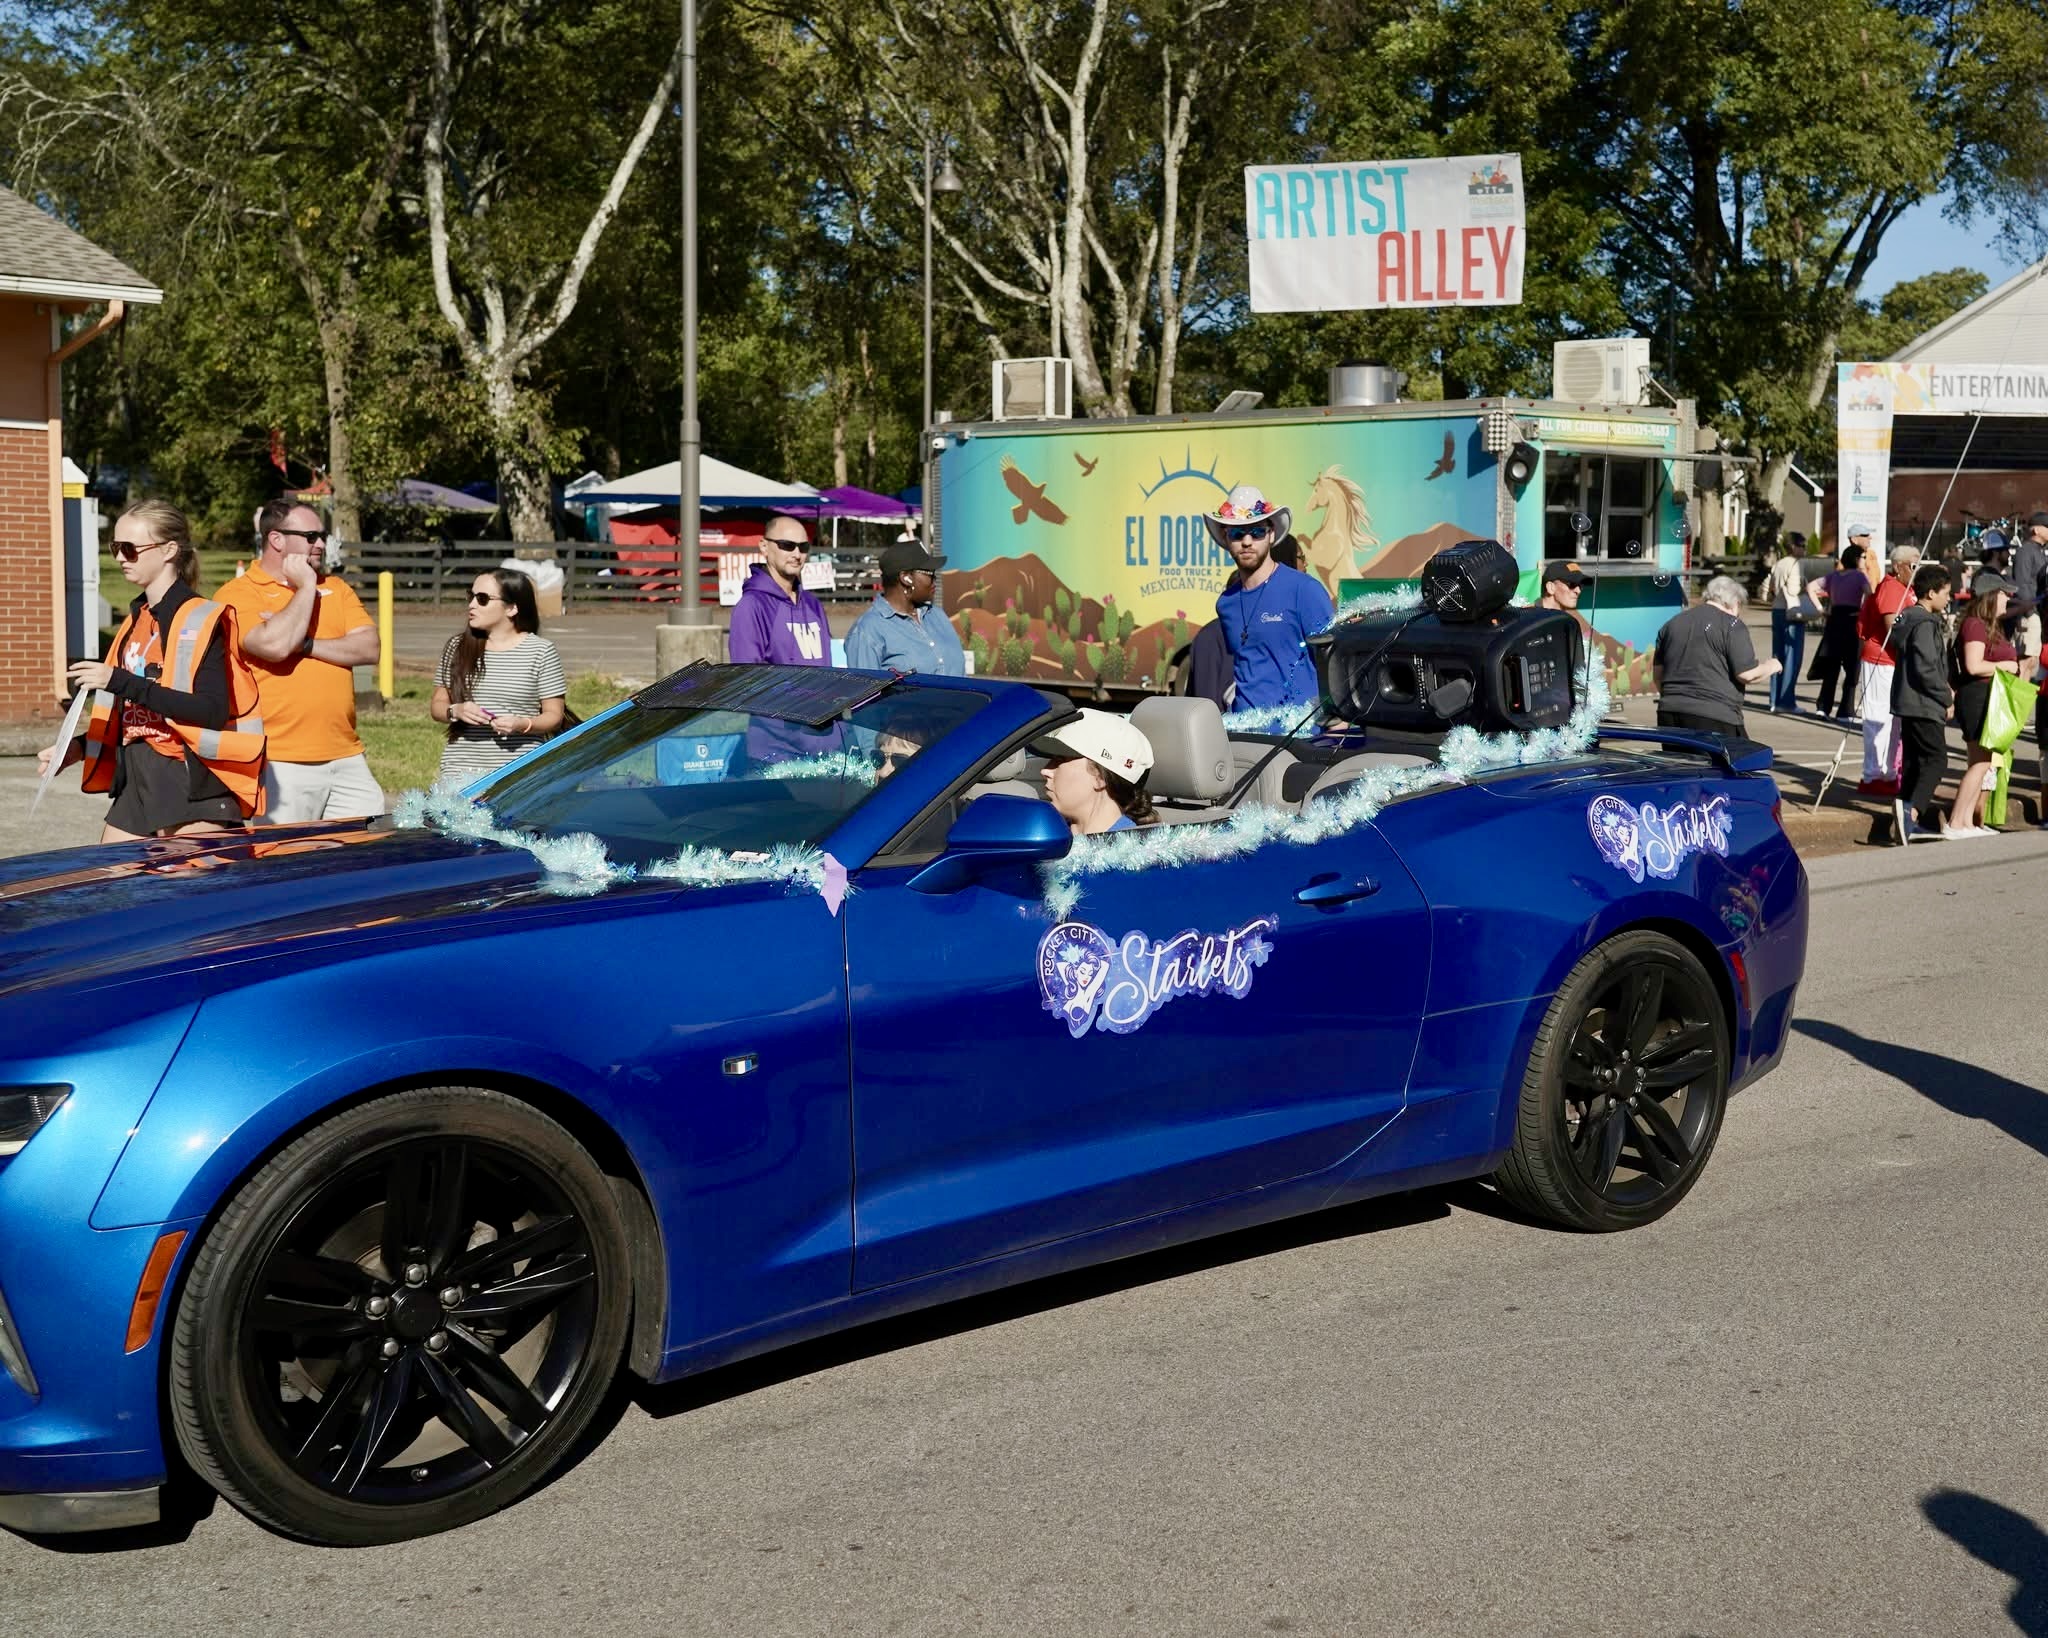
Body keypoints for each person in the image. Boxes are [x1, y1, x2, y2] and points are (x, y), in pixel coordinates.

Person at [38, 499, 266, 840]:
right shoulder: (137, 619)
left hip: (187, 780)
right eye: (115, 547)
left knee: (193, 877)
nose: (119, 557)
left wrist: (119, 681)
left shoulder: (199, 619)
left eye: (130, 549)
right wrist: (78, 749)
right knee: (113, 874)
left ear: (169, 550)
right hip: (138, 776)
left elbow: (211, 710)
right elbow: (133, 714)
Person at [214, 499, 385, 821]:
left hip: (347, 756)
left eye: (322, 536)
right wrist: (305, 586)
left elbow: (369, 648)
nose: (320, 544)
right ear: (276, 539)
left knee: (365, 848)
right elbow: (276, 646)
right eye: (310, 536)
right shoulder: (238, 593)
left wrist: (304, 644)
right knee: (286, 853)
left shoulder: (336, 588)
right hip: (279, 761)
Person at [430, 568, 567, 788]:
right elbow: (437, 705)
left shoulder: (541, 651)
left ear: (512, 608)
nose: (471, 604)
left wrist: (522, 724)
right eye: (471, 596)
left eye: (482, 599)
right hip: (460, 771)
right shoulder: (457, 647)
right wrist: (455, 710)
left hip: (519, 773)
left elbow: (554, 716)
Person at [1206, 485, 1332, 712]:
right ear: (1225, 537)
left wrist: (1336, 721)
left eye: (1256, 532)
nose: (1247, 541)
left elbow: (1334, 661)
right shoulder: (1226, 603)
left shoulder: (1304, 590)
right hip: (1243, 729)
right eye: (1237, 533)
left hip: (1298, 730)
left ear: (1271, 534)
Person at [1652, 575, 1779, 737]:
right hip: (1715, 715)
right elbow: (1747, 674)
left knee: (1678, 755)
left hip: (1668, 713)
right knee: (1744, 753)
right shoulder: (1732, 625)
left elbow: (1658, 676)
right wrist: (1771, 666)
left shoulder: (1671, 624)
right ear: (1735, 603)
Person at [1945, 569, 2021, 838]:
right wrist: (2006, 665)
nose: (2007, 598)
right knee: (1980, 762)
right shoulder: (1975, 625)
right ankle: (1956, 822)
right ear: (1990, 596)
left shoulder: (1986, 625)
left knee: (1982, 762)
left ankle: (1966, 822)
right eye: (2003, 594)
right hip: (1977, 697)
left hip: (1985, 696)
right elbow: (1973, 665)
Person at [1888, 563, 1954, 844]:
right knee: (1936, 760)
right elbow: (1927, 667)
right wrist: (1945, 696)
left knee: (1914, 762)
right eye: (1946, 593)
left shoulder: (1907, 619)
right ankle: (1911, 812)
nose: (1949, 598)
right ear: (1931, 593)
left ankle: (1904, 816)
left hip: (1907, 702)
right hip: (1924, 703)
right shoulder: (1925, 623)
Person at [1854, 542, 1921, 794]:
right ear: (1898, 566)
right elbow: (1893, 628)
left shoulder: (1906, 588)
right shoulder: (1892, 588)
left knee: (1893, 720)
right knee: (1878, 718)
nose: (1916, 569)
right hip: (1880, 660)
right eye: (1913, 565)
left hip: (1895, 661)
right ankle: (1873, 774)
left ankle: (1888, 772)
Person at [845, 539, 967, 675]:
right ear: (906, 578)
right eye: (930, 573)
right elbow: (866, 686)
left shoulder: (937, 615)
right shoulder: (868, 631)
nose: (935, 579)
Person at [1035, 709, 1156, 835]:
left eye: (1060, 760)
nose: (1045, 771)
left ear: (1100, 778)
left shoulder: (1135, 847)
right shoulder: (1046, 834)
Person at [729, 515, 829, 665]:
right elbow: (746, 674)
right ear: (764, 547)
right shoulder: (751, 606)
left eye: (803, 547)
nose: (797, 555)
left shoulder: (813, 604)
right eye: (787, 545)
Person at [1807, 538, 1871, 719]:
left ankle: (1823, 706)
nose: (1864, 560)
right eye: (1863, 557)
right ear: (1856, 559)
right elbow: (1870, 594)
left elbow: (1811, 587)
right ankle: (1845, 710)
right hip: (1852, 621)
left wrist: (1821, 609)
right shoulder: (1860, 576)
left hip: (1834, 620)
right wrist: (1864, 611)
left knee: (1831, 665)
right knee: (1852, 667)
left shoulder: (1833, 576)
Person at [1765, 536, 1807, 711]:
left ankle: (1774, 699)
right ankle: (1786, 701)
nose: (1804, 549)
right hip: (1792, 612)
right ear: (1793, 547)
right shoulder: (1796, 564)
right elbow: (1793, 589)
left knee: (1778, 655)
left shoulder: (1779, 563)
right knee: (1792, 657)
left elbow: (1771, 587)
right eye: (1802, 545)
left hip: (1777, 609)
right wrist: (1805, 587)